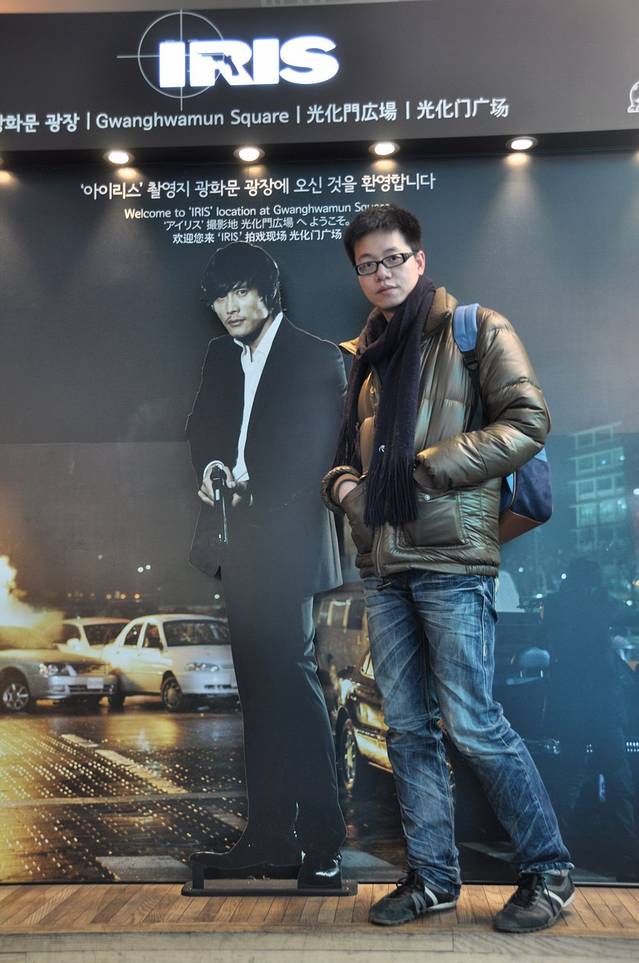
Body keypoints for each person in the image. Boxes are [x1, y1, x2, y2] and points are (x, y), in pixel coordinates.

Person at [321, 204, 573, 931]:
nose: (381, 273)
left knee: (473, 723)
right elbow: (338, 455)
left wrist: (430, 467)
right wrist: (346, 491)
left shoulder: (475, 329)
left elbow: (528, 421)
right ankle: (432, 878)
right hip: (383, 566)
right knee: (406, 729)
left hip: (453, 560)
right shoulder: (360, 358)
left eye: (392, 258)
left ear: (419, 260)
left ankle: (549, 871)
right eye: (367, 265)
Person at [187, 241, 347, 888]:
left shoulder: (316, 355)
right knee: (258, 690)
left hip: (289, 537)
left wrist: (251, 491)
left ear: (268, 292)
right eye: (219, 298)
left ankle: (324, 841)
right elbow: (201, 426)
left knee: (291, 682)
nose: (229, 307)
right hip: (237, 542)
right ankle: (270, 838)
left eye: (240, 292)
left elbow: (317, 453)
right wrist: (212, 467)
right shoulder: (219, 356)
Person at [543, 558, 639, 882]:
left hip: (572, 706)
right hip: (604, 706)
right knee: (619, 781)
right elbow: (626, 613)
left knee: (568, 779)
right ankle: (627, 859)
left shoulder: (557, 605)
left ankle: (556, 856)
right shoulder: (600, 604)